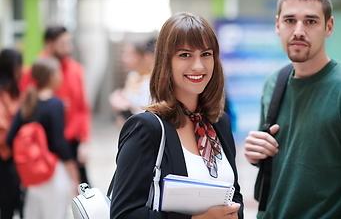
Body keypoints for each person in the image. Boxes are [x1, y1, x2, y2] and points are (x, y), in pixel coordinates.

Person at [110, 12, 244, 219]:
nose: (198, 65)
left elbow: (234, 194)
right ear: (166, 62)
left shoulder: (219, 123)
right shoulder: (146, 128)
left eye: (206, 54)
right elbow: (123, 214)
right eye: (185, 55)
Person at [244, 0, 341, 218]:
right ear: (278, 25)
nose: (298, 30)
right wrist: (255, 155)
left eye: (310, 21)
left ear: (329, 26)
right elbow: (281, 161)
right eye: (289, 20)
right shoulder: (273, 83)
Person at [7, 58, 80, 219]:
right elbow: (59, 144)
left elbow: (10, 138)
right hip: (52, 171)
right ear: (52, 76)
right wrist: (74, 174)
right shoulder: (55, 104)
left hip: (30, 174)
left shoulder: (27, 103)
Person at [19, 26, 92, 184]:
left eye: (69, 43)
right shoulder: (32, 72)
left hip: (71, 143)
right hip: (42, 146)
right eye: (63, 44)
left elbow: (82, 108)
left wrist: (84, 142)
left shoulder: (76, 70)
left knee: (84, 196)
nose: (68, 48)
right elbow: (24, 108)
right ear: (49, 44)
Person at [109, 38, 156, 127]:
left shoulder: (151, 81)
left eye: (130, 54)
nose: (124, 58)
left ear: (145, 56)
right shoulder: (132, 76)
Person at [0, 49, 23, 219]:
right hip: (6, 156)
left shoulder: (16, 91)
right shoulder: (3, 94)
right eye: (19, 66)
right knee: (7, 205)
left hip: (18, 155)